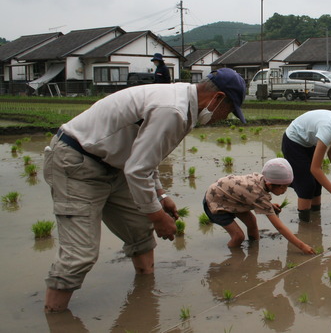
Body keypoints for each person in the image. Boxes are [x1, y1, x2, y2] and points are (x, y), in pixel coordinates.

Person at [42, 68, 246, 313]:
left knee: (140, 233)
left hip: (116, 166)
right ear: (218, 98)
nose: (224, 117)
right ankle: (55, 316)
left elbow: (147, 157)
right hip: (77, 163)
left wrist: (161, 195)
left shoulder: (184, 106)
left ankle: (145, 302)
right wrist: (158, 217)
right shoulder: (173, 110)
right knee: (80, 254)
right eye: (229, 110)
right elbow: (137, 170)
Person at [203, 158, 315, 254]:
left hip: (230, 197)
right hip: (215, 202)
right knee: (238, 236)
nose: (285, 190)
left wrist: (269, 205)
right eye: (283, 187)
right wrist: (302, 246)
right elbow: (279, 226)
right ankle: (233, 257)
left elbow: (250, 195)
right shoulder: (258, 196)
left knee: (252, 221)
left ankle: (253, 249)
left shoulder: (261, 179)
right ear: (270, 184)